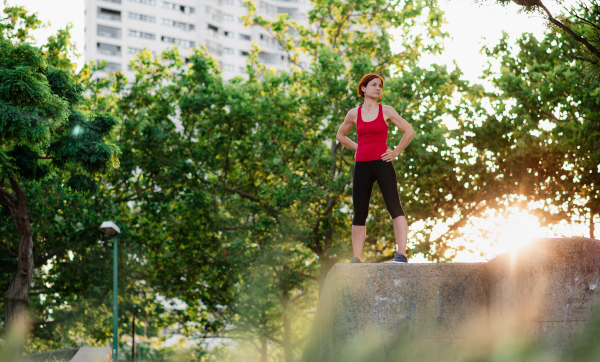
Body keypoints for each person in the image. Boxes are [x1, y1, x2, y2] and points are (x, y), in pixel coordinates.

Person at [335, 73, 416, 263]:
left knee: (394, 207)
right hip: (362, 165)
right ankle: (356, 258)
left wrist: (395, 152)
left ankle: (401, 254)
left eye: (380, 85)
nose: (378, 88)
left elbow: (409, 131)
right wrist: (357, 147)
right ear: (363, 88)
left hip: (383, 163)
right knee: (359, 211)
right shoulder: (353, 114)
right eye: (373, 85)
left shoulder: (386, 110)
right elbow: (340, 135)